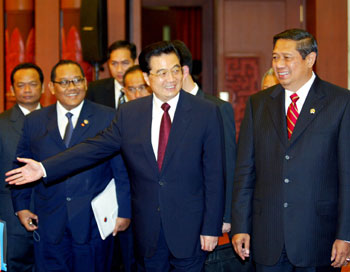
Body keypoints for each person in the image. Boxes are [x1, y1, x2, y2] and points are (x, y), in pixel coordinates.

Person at [6, 41, 225, 272]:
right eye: (161, 72)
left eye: (175, 70)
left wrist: (211, 228)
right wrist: (44, 168)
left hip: (190, 230)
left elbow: (215, 176)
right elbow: (93, 148)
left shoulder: (206, 112)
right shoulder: (130, 113)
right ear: (147, 77)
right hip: (147, 232)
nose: (170, 78)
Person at [231, 28, 350, 271]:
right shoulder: (258, 103)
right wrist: (241, 225)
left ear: (310, 59)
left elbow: (347, 175)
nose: (279, 64)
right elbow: (245, 170)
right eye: (275, 57)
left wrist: (345, 235)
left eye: (287, 57)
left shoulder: (341, 102)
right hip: (267, 237)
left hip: (319, 237)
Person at [10, 60, 131, 272]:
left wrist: (124, 211)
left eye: (77, 80)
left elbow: (121, 170)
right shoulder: (35, 121)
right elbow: (21, 165)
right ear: (51, 87)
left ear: (86, 83)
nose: (72, 87)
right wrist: (21, 206)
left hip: (93, 221)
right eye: (64, 82)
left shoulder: (109, 117)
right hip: (48, 220)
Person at [0, 63, 43, 271]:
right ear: (12, 90)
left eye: (33, 84)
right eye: (21, 85)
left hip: (54, 215)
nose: (27, 90)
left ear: (43, 87)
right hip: (11, 216)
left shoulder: (59, 120)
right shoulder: (2, 124)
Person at [86, 40, 136, 109]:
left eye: (125, 63)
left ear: (134, 62)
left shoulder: (145, 89)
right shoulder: (96, 89)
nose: (119, 69)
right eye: (114, 63)